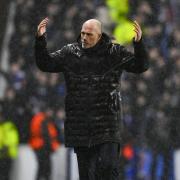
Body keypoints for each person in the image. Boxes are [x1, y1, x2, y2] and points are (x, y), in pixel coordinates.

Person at [34, 17, 149, 180]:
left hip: (107, 125)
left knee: (108, 169)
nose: (84, 38)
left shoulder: (114, 52)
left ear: (100, 36)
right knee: (87, 175)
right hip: (80, 126)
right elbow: (45, 64)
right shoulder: (70, 52)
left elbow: (141, 66)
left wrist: (139, 44)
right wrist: (40, 40)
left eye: (89, 34)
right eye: (82, 33)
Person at [29, 107, 60, 180]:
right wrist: (51, 146)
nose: (51, 113)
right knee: (45, 168)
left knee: (43, 168)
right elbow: (46, 135)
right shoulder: (43, 119)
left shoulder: (41, 119)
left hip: (41, 146)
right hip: (42, 147)